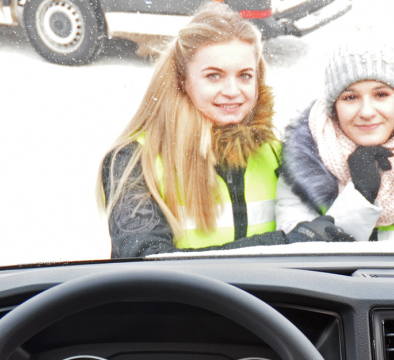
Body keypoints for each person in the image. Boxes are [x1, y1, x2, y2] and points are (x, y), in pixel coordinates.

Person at [99, 5, 282, 259]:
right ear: (182, 80)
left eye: (245, 76)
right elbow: (148, 262)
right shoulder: (135, 160)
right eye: (214, 76)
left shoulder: (276, 153)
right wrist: (286, 245)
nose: (232, 90)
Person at [275, 44, 394, 241]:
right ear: (334, 108)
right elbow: (301, 251)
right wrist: (360, 196)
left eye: (381, 95)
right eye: (350, 97)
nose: (366, 112)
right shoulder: (301, 170)